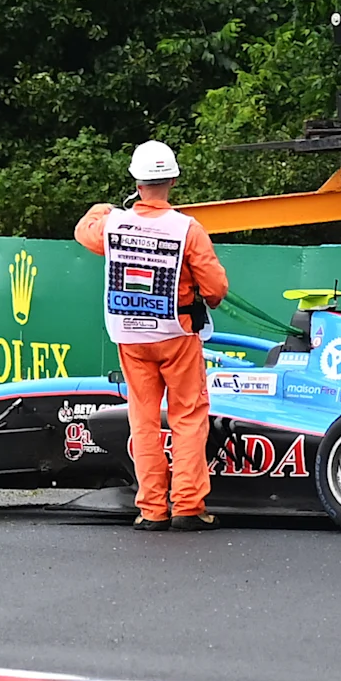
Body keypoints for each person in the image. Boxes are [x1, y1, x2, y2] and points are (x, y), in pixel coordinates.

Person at [72, 140, 229, 530]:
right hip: (177, 333)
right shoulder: (187, 229)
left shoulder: (113, 225)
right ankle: (189, 507)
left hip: (129, 334)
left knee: (143, 419)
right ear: (172, 179)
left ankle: (152, 510)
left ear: (136, 181)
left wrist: (103, 209)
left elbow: (83, 230)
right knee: (188, 417)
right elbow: (216, 290)